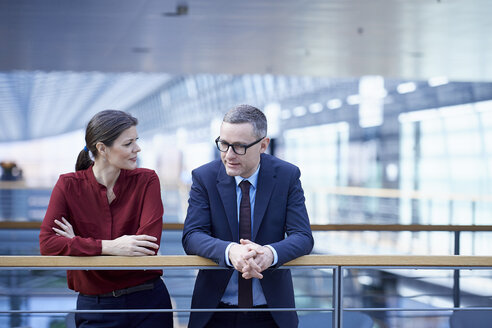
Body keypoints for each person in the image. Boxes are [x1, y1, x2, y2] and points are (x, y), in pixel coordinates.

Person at [182, 104, 314, 328]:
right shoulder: (204, 177)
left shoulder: (287, 175)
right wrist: (230, 251)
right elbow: (192, 235)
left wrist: (269, 254)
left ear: (263, 145)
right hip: (215, 310)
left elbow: (302, 236)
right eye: (224, 144)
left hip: (272, 311)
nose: (229, 155)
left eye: (240, 147)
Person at [39, 110, 173, 328]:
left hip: (148, 303)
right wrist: (111, 246)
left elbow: (146, 246)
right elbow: (47, 244)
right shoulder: (68, 185)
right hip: (96, 307)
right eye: (128, 143)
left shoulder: (147, 180)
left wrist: (76, 243)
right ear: (102, 148)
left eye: (136, 141)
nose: (137, 148)